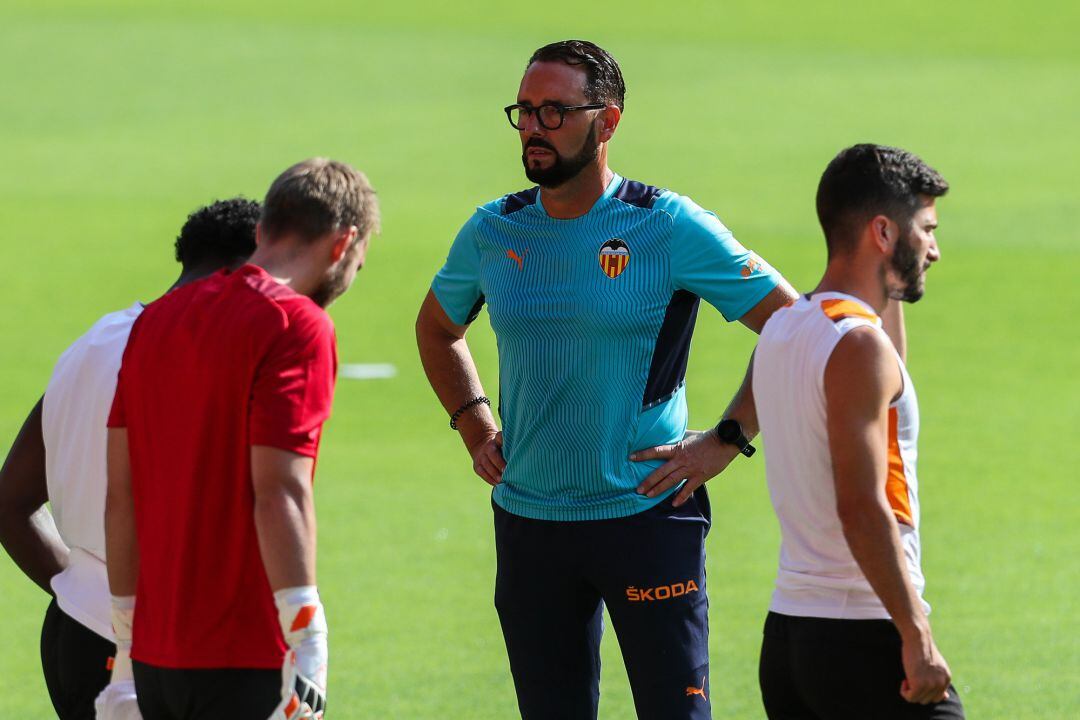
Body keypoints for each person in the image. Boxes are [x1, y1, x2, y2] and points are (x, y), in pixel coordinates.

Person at [415, 40, 797, 720]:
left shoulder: (665, 225)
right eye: (525, 111)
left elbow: (797, 329)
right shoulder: (493, 231)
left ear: (608, 122)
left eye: (555, 111)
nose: (534, 127)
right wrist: (474, 422)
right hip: (530, 524)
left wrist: (730, 436)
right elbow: (438, 329)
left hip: (647, 519)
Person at [104, 158, 379, 720]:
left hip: (157, 656)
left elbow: (120, 494)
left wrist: (128, 647)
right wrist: (308, 640)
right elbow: (280, 490)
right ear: (343, 243)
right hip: (250, 653)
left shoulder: (155, 321)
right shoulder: (297, 325)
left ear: (262, 230)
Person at [0, 198, 260, 720]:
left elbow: (11, 500)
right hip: (158, 657)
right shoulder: (192, 356)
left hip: (76, 636)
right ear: (246, 275)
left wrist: (83, 592)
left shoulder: (93, 341)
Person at [752, 144, 964, 718]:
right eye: (925, 229)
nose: (935, 249)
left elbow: (888, 364)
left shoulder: (786, 329)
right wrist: (915, 634)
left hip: (793, 640)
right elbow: (862, 505)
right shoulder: (857, 347)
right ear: (883, 232)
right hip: (864, 640)